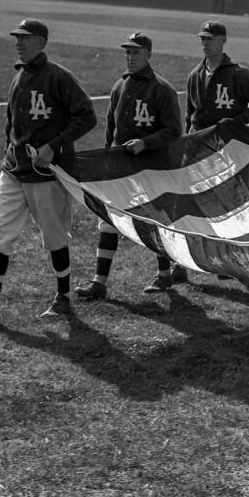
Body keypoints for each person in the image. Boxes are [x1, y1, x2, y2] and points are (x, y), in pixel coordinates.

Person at [0, 19, 97, 326]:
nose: (18, 42)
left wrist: (54, 146)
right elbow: (11, 122)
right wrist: (9, 148)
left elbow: (87, 116)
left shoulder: (58, 77)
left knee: (54, 236)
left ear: (41, 43)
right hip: (13, 169)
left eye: (25, 38)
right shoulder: (19, 75)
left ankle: (63, 299)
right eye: (16, 37)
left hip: (45, 173)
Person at [75, 32, 185, 301]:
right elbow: (111, 132)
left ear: (148, 54)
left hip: (150, 169)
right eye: (127, 52)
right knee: (108, 222)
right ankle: (99, 282)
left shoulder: (162, 89)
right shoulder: (119, 86)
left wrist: (146, 143)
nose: (130, 57)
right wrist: (106, 161)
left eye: (136, 52)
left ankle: (164, 274)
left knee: (152, 222)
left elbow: (174, 131)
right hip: (119, 169)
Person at [185, 20, 249, 132]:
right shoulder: (195, 75)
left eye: (210, 39)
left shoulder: (239, 73)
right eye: (203, 39)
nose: (205, 43)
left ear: (223, 40)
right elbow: (189, 113)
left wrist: (237, 121)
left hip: (229, 140)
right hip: (200, 141)